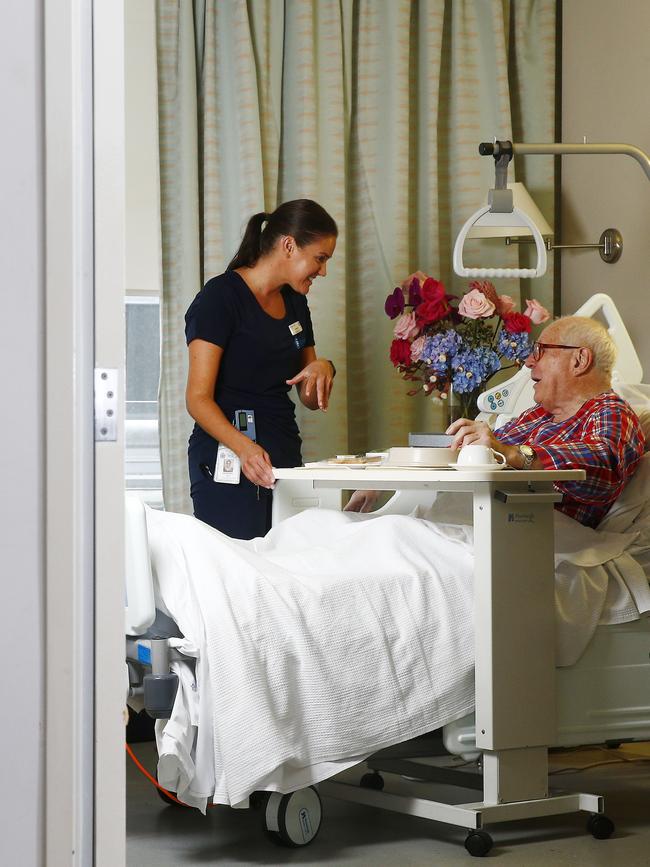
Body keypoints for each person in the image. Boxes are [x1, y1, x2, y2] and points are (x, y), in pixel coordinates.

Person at [346, 316, 645, 527]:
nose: (529, 362)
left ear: (579, 360)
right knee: (332, 528)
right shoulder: (534, 417)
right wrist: (387, 472)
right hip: (468, 522)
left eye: (540, 351)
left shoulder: (610, 411)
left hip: (527, 534)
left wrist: (512, 453)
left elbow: (603, 467)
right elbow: (463, 453)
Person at [185, 199, 338, 539]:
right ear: (288, 245)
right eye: (320, 258)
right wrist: (243, 448)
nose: (323, 271)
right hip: (228, 460)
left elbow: (310, 399)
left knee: (286, 574)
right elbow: (197, 399)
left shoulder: (296, 304)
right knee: (238, 576)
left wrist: (324, 367)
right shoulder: (220, 298)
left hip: (282, 458)